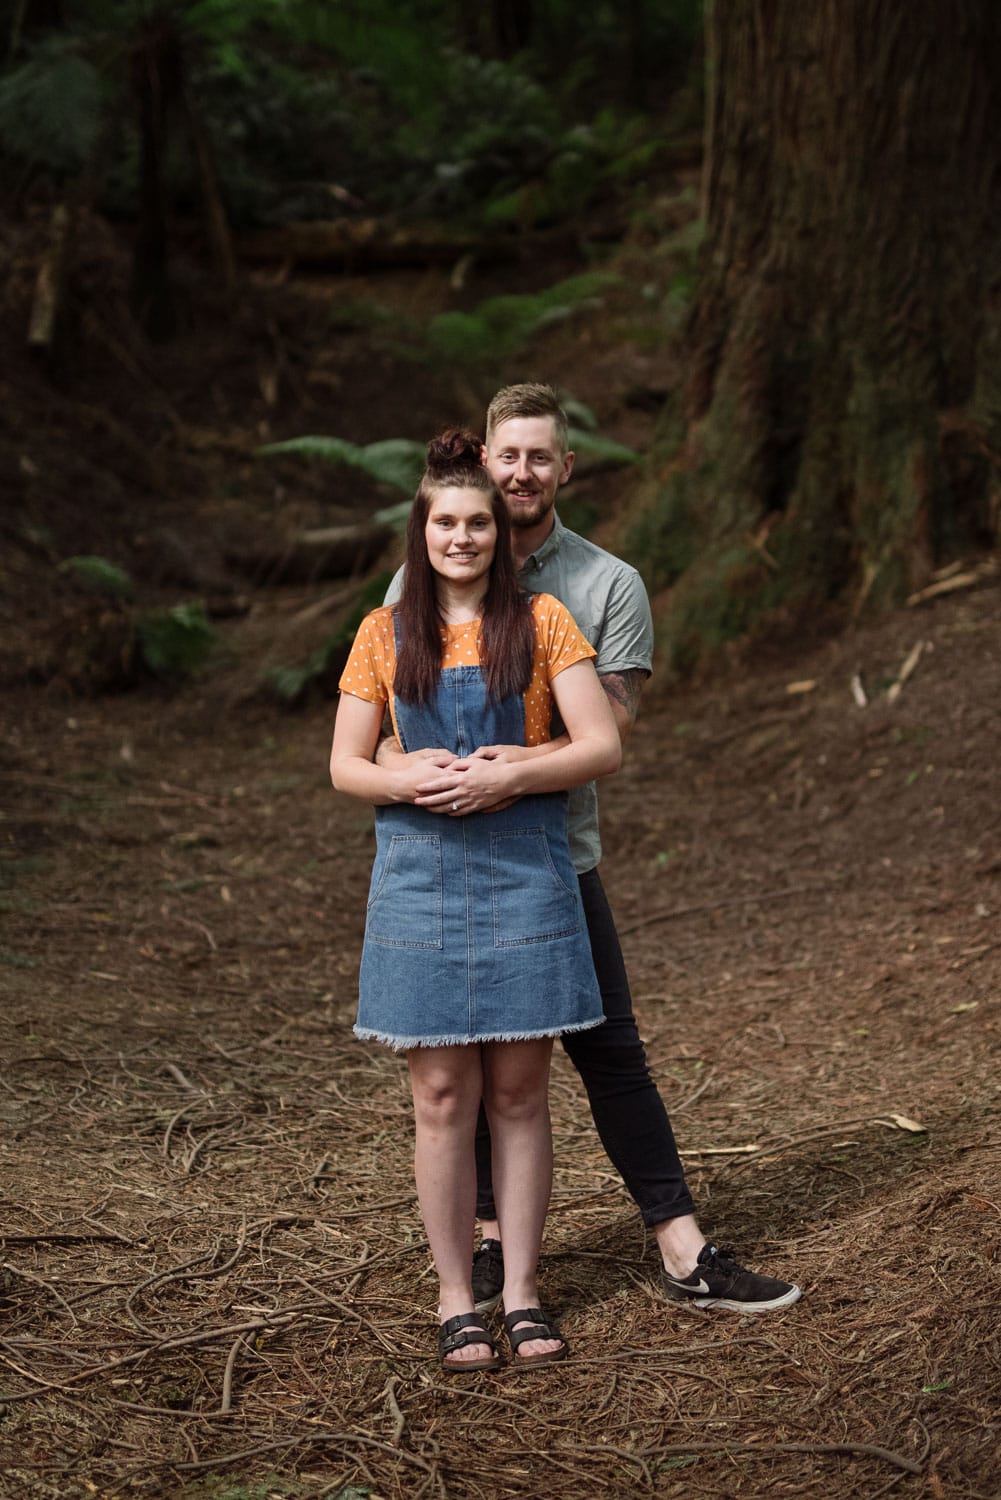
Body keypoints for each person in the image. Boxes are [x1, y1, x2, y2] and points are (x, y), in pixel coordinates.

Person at [383, 385, 801, 1314]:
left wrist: (507, 772)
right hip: (445, 863)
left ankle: (680, 1244)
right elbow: (382, 718)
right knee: (470, 1049)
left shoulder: (605, 585)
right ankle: (488, 1245)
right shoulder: (420, 575)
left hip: (552, 861)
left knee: (607, 1051)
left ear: (565, 468)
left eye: (540, 457)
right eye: (507, 456)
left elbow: (604, 726)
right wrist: (405, 772)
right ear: (481, 464)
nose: (521, 473)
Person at [330, 429, 621, 1372]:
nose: (462, 537)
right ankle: (458, 1296)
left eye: (478, 523)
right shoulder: (383, 634)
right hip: (417, 880)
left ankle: (525, 1290)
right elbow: (343, 766)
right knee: (444, 1094)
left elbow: (600, 747)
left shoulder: (541, 624)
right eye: (444, 522)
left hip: (524, 873)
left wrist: (518, 774)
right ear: (420, 533)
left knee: (520, 1091)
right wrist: (406, 779)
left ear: (501, 533)